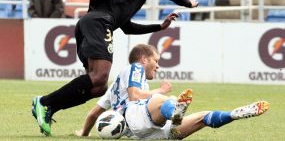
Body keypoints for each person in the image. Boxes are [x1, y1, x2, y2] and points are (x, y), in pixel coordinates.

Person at [31, 0, 198, 136]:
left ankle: (49, 108)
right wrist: (186, 2)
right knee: (99, 76)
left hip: (89, 23)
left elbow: (128, 27)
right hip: (99, 23)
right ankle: (44, 102)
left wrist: (158, 27)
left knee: (98, 86)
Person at [75, 44, 270, 139]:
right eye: (156, 61)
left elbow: (94, 113)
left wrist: (83, 134)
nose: (158, 66)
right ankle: (174, 112)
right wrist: (159, 89)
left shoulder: (114, 89)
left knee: (202, 118)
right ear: (143, 59)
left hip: (146, 134)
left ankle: (233, 115)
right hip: (134, 116)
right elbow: (135, 96)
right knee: (163, 99)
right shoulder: (135, 68)